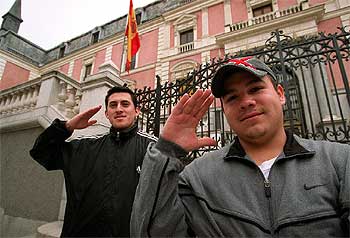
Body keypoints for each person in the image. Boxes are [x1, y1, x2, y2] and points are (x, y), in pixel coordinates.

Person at [131, 57, 350, 237]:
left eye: (255, 89)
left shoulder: (340, 161)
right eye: (232, 97)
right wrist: (166, 151)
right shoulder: (197, 177)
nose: (246, 102)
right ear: (224, 110)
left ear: (281, 94)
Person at [30, 86, 157, 237]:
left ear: (137, 111)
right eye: (113, 105)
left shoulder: (153, 149)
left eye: (125, 104)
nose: (119, 109)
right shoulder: (85, 147)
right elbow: (41, 153)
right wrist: (66, 127)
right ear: (106, 114)